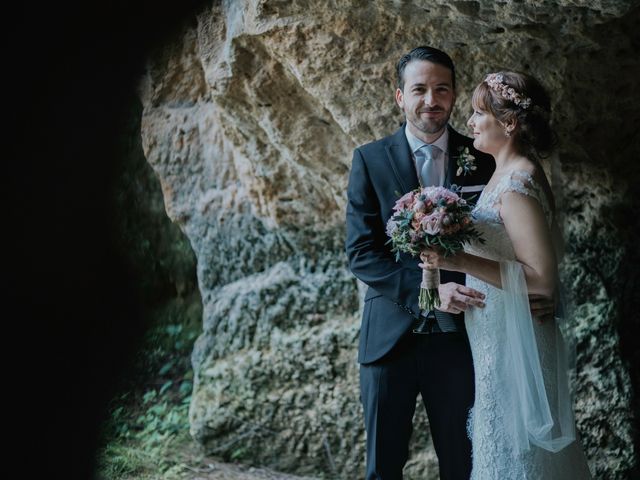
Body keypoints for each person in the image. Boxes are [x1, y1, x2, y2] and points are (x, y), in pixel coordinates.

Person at [345, 46, 554, 479]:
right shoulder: (369, 159)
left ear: (455, 94)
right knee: (381, 468)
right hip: (389, 338)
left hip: (465, 339)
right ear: (400, 96)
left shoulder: (486, 154)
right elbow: (362, 253)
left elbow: (519, 241)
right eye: (419, 89)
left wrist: (539, 299)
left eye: (441, 89)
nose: (431, 99)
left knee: (464, 465)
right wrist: (427, 292)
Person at [420, 71, 592, 478]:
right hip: (495, 332)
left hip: (517, 338)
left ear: (509, 123)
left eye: (479, 113)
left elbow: (541, 280)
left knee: (518, 455)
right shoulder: (503, 172)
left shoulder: (518, 183)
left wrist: (459, 262)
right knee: (499, 444)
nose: (471, 122)